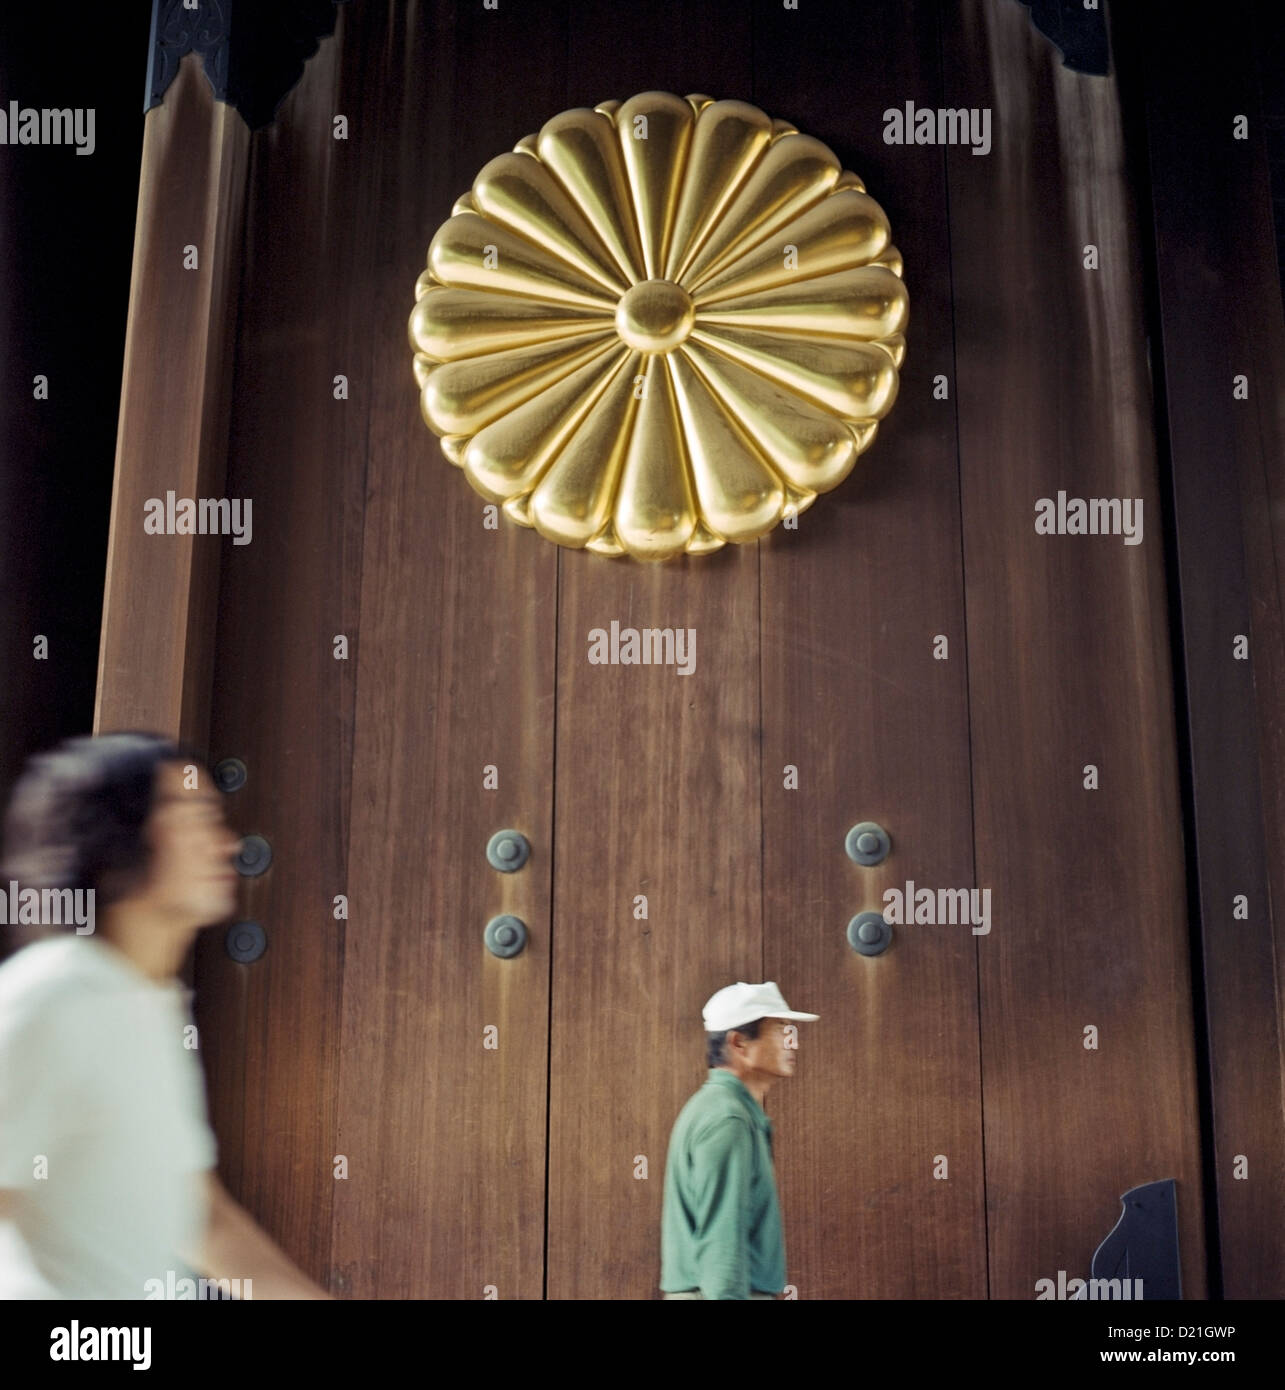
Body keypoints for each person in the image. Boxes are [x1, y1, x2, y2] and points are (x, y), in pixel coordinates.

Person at [0, 732, 329, 1298]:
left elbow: (205, 1221)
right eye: (195, 815)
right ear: (115, 835)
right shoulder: (51, 996)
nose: (225, 845)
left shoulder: (149, 1005)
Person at [659, 980, 818, 1300]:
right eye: (780, 1030)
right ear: (739, 1044)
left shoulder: (724, 1109)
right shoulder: (727, 1120)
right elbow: (722, 1241)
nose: (793, 1043)